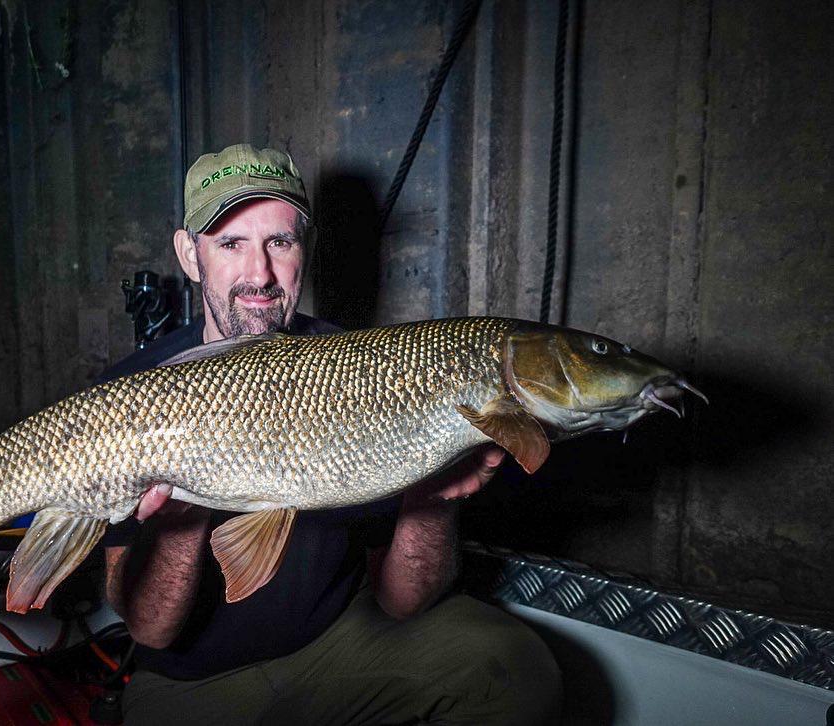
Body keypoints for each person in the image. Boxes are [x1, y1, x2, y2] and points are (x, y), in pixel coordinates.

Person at [100, 144, 560, 725]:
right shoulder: (125, 397)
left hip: (334, 647)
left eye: (280, 243)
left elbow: (402, 602)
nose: (259, 274)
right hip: (193, 685)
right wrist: (182, 513)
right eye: (231, 243)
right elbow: (151, 632)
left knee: (514, 669)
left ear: (305, 252)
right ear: (190, 256)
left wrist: (433, 501)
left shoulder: (361, 367)